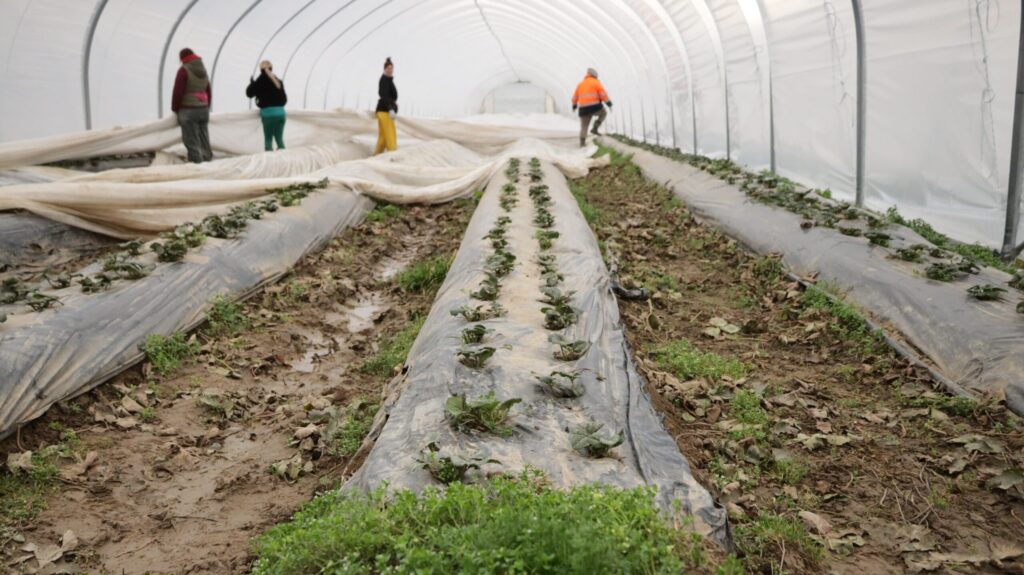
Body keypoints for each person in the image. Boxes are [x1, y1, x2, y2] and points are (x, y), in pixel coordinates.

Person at [171, 48, 213, 163]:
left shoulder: (183, 70)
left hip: (188, 110)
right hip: (203, 109)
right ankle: (209, 163)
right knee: (204, 138)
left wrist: (175, 108)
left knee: (191, 140)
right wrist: (206, 106)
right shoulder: (203, 70)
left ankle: (198, 168)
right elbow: (208, 90)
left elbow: (178, 91)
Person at [246, 60, 288, 151]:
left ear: (260, 70)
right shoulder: (278, 81)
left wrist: (252, 83)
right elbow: (284, 100)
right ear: (271, 69)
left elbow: (249, 94)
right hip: (281, 114)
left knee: (268, 140)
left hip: (268, 115)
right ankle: (284, 160)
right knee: (279, 139)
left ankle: (270, 161)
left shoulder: (259, 82)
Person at [572, 68, 612, 147]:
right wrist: (608, 102)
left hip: (583, 109)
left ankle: (582, 143)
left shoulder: (580, 84)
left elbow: (575, 97)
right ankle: (595, 128)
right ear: (595, 75)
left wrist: (574, 105)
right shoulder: (596, 82)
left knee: (584, 126)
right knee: (603, 113)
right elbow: (602, 94)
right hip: (595, 107)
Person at [375, 57, 398, 155]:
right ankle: (392, 155)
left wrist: (394, 106)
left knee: (383, 137)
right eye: (388, 68)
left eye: (391, 68)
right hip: (385, 111)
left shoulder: (389, 80)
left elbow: (392, 97)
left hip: (385, 111)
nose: (390, 70)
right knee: (390, 135)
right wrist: (390, 109)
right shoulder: (384, 80)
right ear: (384, 69)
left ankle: (376, 155)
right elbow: (384, 96)